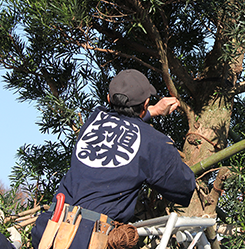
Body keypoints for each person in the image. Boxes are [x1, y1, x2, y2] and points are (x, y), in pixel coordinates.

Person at [32, 69, 196, 248]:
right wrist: (167, 153)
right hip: (91, 238)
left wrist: (154, 111)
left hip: (50, 229)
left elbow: (122, 123)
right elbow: (184, 186)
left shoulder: (94, 119)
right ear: (146, 102)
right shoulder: (154, 142)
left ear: (109, 99)